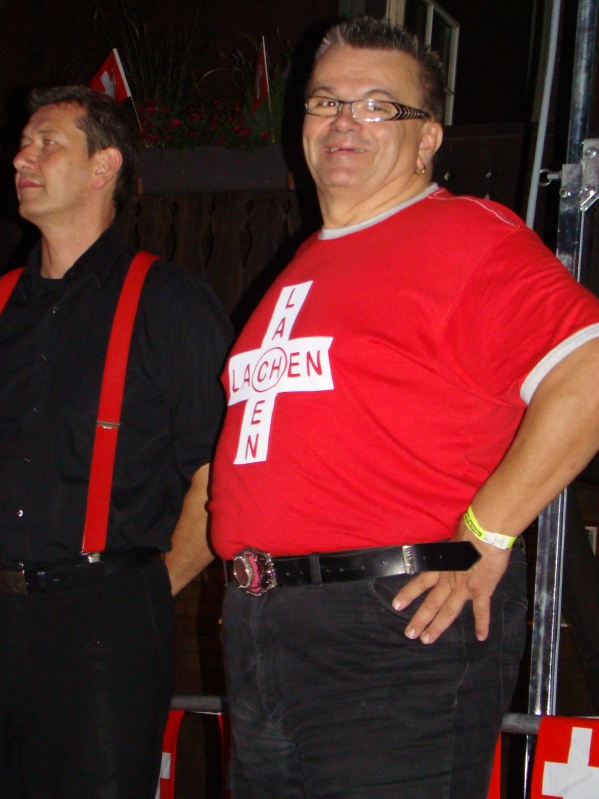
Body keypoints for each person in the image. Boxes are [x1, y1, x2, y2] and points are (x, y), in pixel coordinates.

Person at [209, 16, 599, 799]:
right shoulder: (298, 269)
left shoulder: (465, 236)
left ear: (427, 140)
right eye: (325, 101)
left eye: (377, 105)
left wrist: (488, 530)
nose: (343, 120)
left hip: (396, 620)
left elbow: (588, 369)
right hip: (264, 627)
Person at [0, 86, 231, 798]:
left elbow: (219, 477)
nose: (21, 158)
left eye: (47, 143)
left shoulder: (170, 302)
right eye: (23, 144)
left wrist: (147, 591)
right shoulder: (2, 303)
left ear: (104, 167)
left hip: (105, 620)